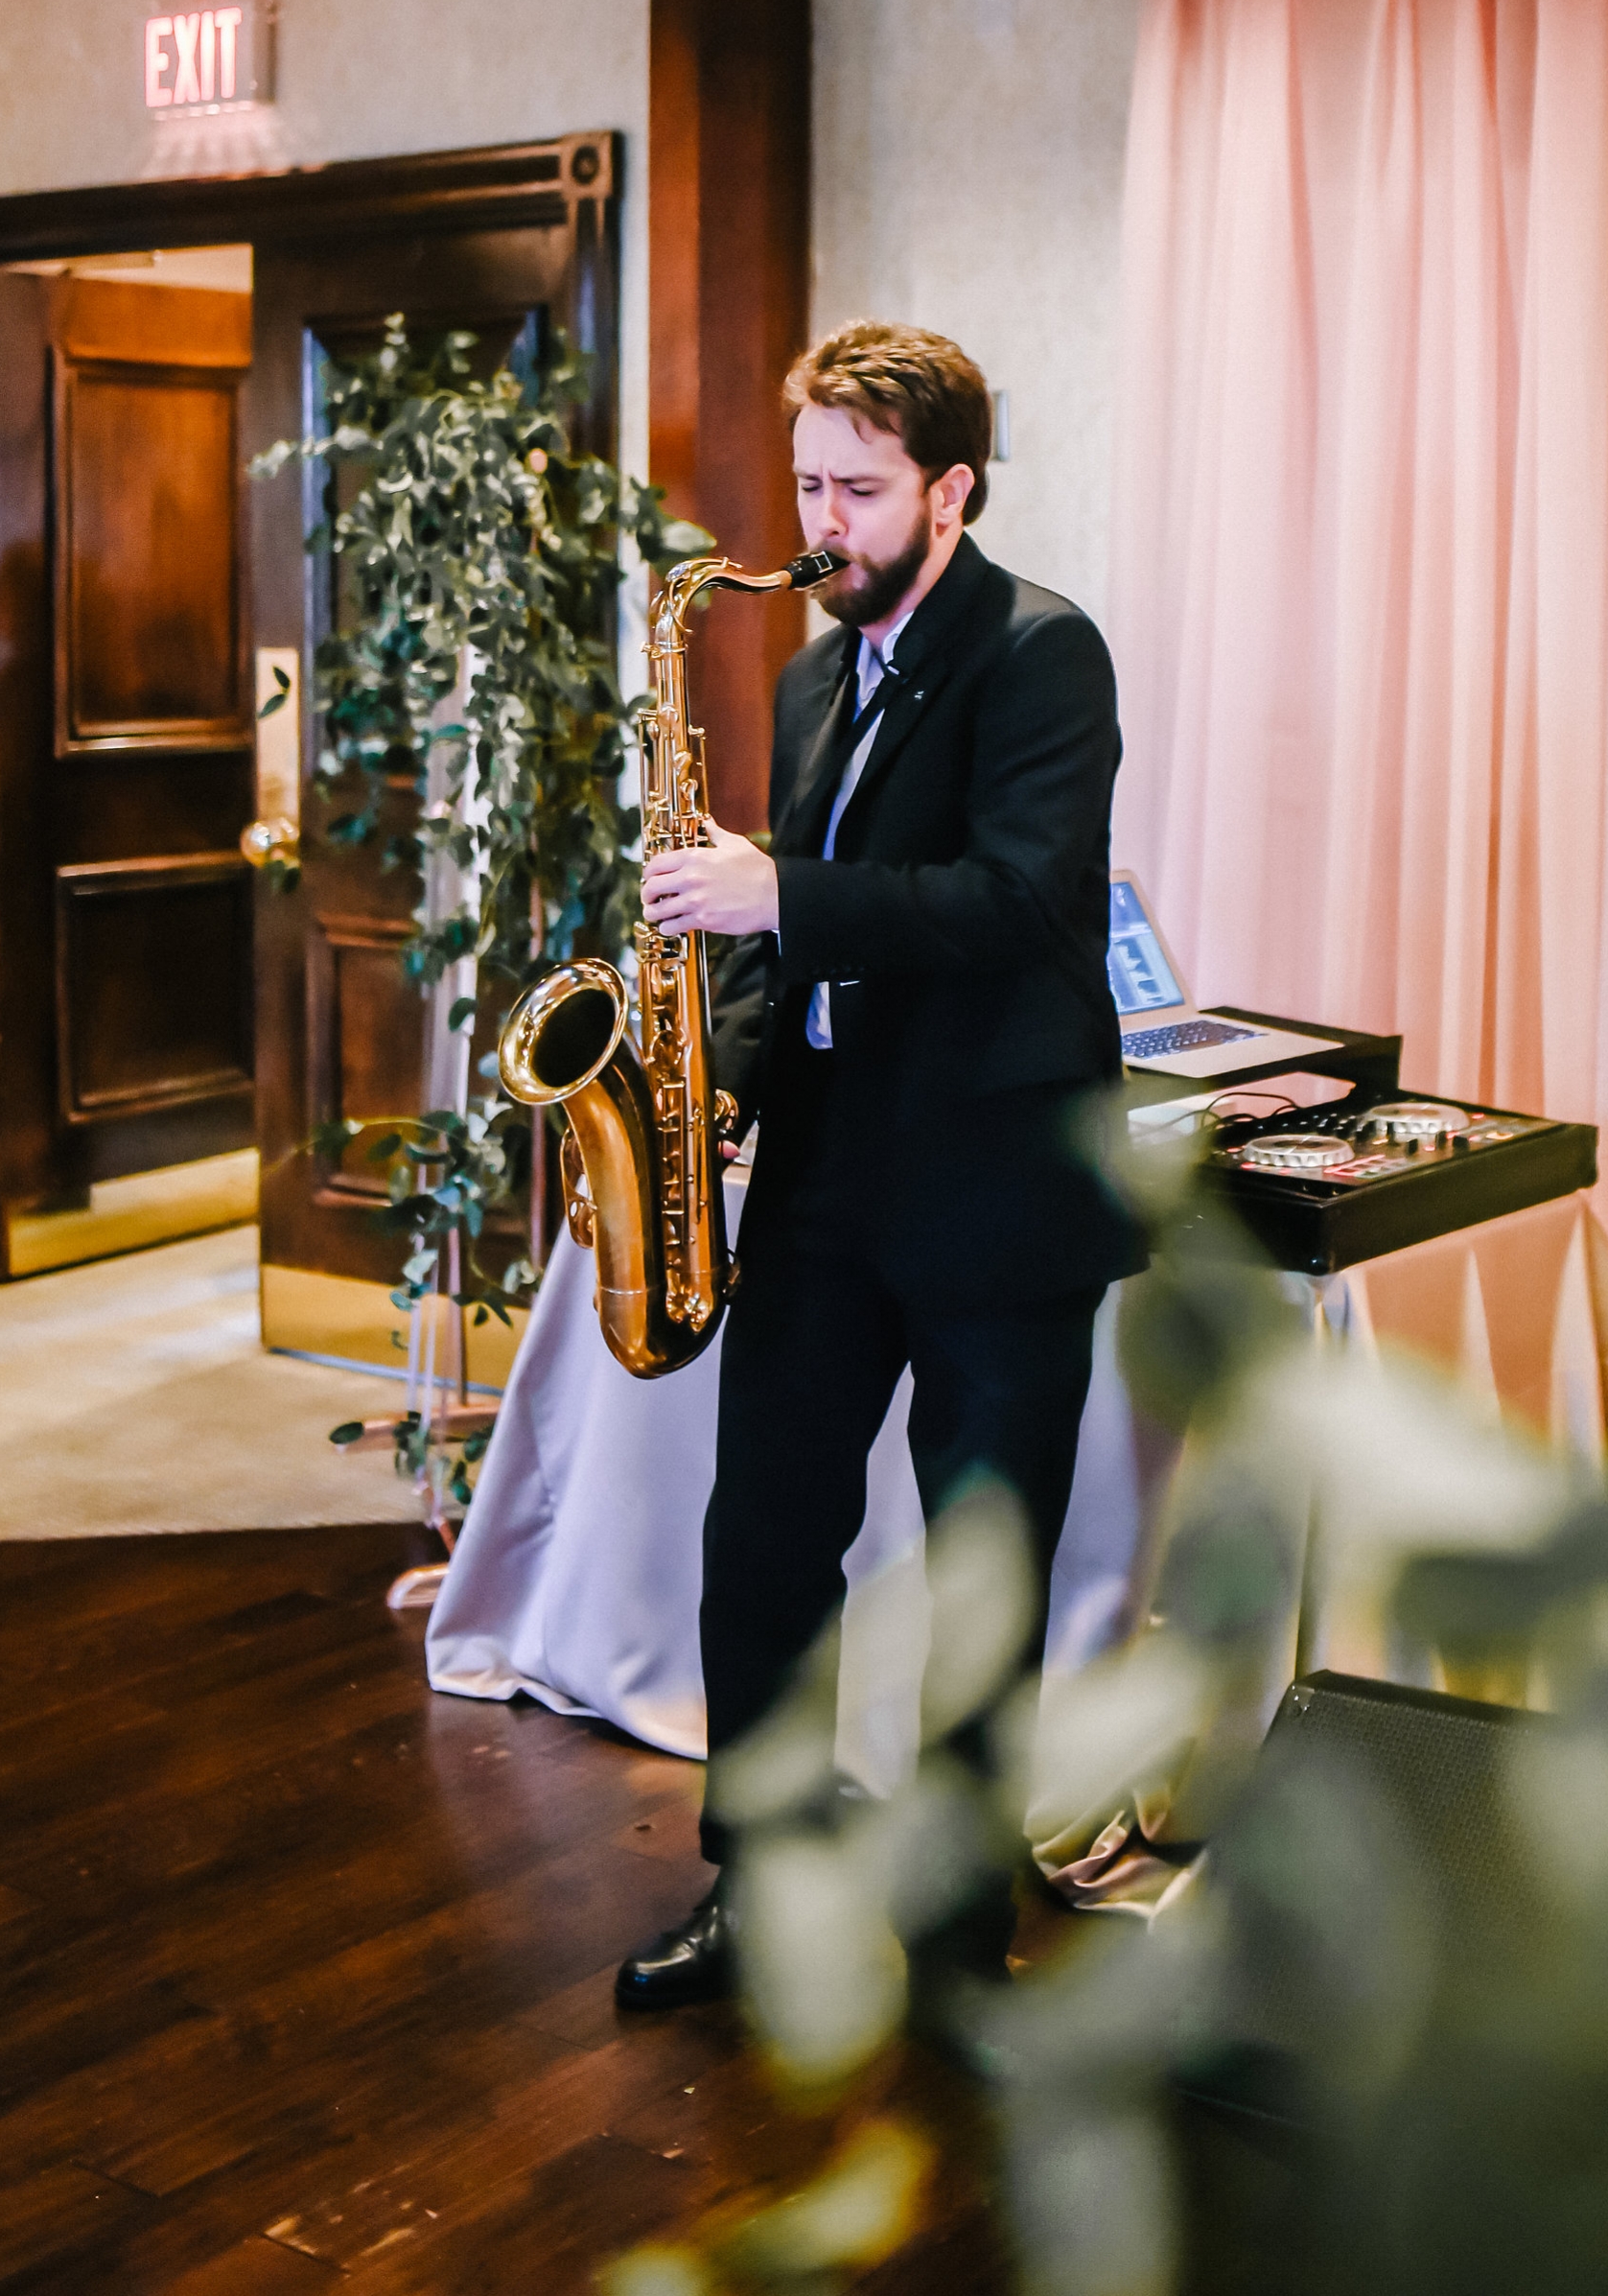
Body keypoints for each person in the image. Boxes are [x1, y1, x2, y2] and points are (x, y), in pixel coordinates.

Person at [614, 319, 1136, 2015]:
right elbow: (800, 940)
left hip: (998, 1186)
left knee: (982, 1572)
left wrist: (776, 893)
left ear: (952, 489)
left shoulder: (1044, 655)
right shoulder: (810, 667)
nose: (817, 523)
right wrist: (707, 1086)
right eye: (807, 485)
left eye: (856, 488)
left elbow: (1018, 903)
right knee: (761, 1541)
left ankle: (955, 1939)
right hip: (830, 1184)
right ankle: (751, 1890)